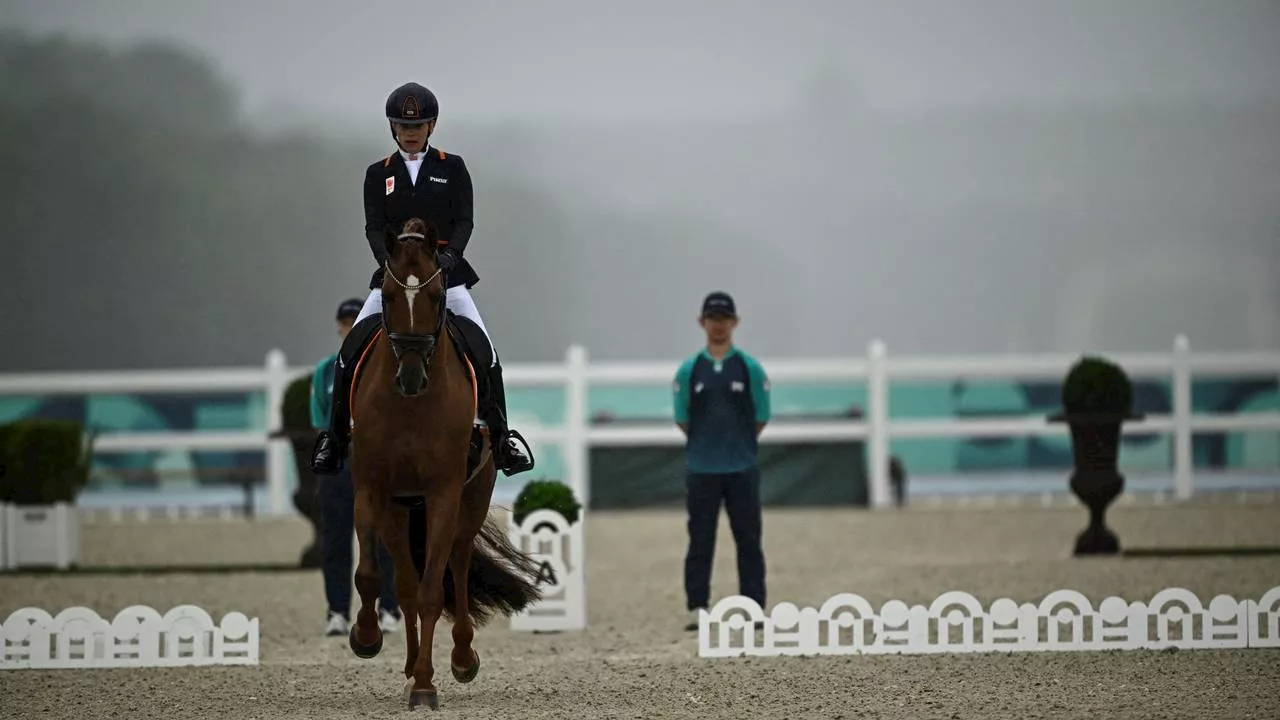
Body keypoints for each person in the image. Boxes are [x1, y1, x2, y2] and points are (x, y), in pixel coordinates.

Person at [310, 81, 534, 478]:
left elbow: (465, 220)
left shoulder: (452, 167)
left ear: (431, 127)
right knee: (349, 353)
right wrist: (389, 262)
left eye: (417, 126)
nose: (410, 133)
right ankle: (335, 439)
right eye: (402, 126)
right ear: (393, 128)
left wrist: (449, 258)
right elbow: (374, 226)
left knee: (487, 353)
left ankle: (502, 438)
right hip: (395, 280)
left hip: (446, 277)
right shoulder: (378, 173)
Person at [672, 291, 772, 631]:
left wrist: (738, 446)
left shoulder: (749, 367)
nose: (719, 325)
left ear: (735, 322)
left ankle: (754, 606)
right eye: (712, 319)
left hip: (742, 467)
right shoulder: (690, 370)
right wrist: (706, 447)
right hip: (702, 469)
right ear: (702, 322)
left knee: (748, 538)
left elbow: (761, 414)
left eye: (724, 319)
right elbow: (682, 417)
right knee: (700, 538)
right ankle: (697, 606)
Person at [311, 298, 402, 637]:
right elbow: (319, 416)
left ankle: (389, 608)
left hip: (376, 460)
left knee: (383, 539)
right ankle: (337, 610)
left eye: (355, 322)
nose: (350, 328)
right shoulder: (327, 370)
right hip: (343, 458)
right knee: (335, 540)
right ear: (339, 327)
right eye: (345, 322)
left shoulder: (383, 367)